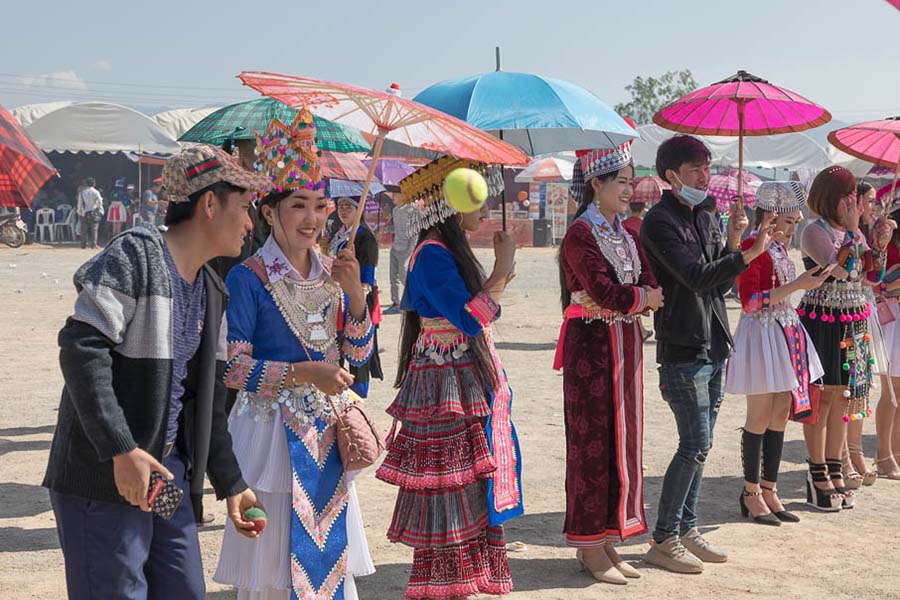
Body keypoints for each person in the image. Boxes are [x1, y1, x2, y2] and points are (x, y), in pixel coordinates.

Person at [42, 144, 269, 600]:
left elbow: (203, 404)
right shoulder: (136, 256)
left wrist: (232, 482)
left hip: (165, 478)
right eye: (244, 208)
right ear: (209, 204)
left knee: (184, 589)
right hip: (106, 476)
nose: (250, 224)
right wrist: (121, 450)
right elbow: (81, 349)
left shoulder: (210, 290)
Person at [214, 109, 376, 600]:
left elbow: (356, 354)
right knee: (272, 567)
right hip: (268, 436)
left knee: (329, 560)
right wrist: (304, 372)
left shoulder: (335, 272)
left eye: (321, 206)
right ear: (269, 212)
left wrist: (356, 296)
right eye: (299, 206)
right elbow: (235, 370)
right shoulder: (249, 278)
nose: (312, 219)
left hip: (326, 432)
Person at [376, 157, 523, 599]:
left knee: (467, 480)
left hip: (459, 376)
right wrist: (500, 271)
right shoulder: (432, 255)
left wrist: (498, 272)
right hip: (444, 383)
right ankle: (447, 583)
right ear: (453, 205)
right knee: (448, 481)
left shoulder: (443, 251)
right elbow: (469, 318)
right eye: (475, 200)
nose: (483, 209)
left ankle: (467, 577)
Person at [640, 135, 778, 573]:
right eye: (696, 168)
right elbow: (697, 277)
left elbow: (719, 286)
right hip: (682, 345)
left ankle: (687, 526)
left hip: (715, 341)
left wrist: (735, 241)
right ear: (671, 175)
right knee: (694, 442)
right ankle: (663, 537)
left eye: (707, 166)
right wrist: (749, 254)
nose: (706, 174)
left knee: (703, 445)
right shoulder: (659, 222)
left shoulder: (706, 216)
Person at [555, 143, 662, 585]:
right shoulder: (581, 234)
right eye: (621, 181)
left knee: (623, 442)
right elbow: (606, 294)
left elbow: (649, 280)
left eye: (630, 180)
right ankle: (587, 542)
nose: (629, 189)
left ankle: (607, 535)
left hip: (625, 345)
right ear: (596, 184)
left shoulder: (628, 232)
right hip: (593, 351)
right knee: (592, 444)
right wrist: (642, 300)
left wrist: (641, 298)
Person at [725, 181, 832, 526]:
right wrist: (797, 285)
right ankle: (751, 491)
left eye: (794, 223)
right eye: (788, 222)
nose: (791, 229)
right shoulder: (751, 247)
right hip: (762, 333)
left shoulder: (781, 251)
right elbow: (750, 301)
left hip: (785, 331)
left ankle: (769, 488)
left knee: (781, 409)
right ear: (770, 217)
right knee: (759, 413)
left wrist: (804, 284)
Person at [797, 166, 895, 511]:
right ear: (831, 198)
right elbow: (842, 269)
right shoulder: (814, 231)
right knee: (821, 398)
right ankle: (817, 469)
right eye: (848, 196)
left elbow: (872, 276)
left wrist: (879, 245)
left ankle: (835, 466)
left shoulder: (853, 232)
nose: (854, 202)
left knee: (844, 398)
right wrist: (856, 232)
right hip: (822, 319)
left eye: (856, 196)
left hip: (852, 318)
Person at [327, 196, 384, 396]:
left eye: (348, 207)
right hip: (335, 297)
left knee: (358, 347)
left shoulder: (364, 237)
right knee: (336, 345)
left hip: (357, 297)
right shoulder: (337, 233)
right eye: (340, 207)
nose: (343, 211)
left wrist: (354, 291)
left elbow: (367, 277)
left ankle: (359, 394)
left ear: (359, 209)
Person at [875, 203, 900, 480]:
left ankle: (894, 451)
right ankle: (884, 455)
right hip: (891, 316)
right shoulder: (887, 241)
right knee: (891, 390)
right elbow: (879, 282)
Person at [386, 193, 419, 313]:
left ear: (403, 196)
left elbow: (415, 233)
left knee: (404, 275)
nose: (393, 197)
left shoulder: (413, 210)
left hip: (406, 250)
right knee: (393, 277)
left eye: (396, 194)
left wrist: (410, 250)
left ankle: (414, 299)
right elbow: (396, 229)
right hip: (395, 248)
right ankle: (395, 302)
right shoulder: (395, 210)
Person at [76, 177, 104, 249]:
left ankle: (83, 244)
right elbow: (100, 202)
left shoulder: (82, 192)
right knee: (94, 229)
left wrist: (79, 211)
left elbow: (79, 203)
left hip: (85, 212)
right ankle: (94, 244)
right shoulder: (96, 192)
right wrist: (99, 209)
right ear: (94, 184)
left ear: (86, 184)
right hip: (94, 212)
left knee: (84, 230)